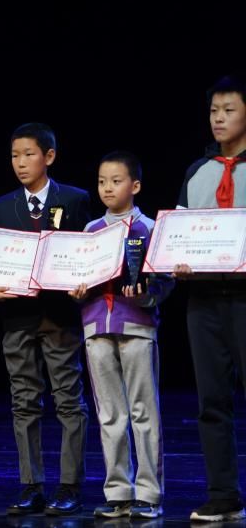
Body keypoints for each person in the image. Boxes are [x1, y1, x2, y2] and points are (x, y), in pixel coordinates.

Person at [0, 122, 90, 516]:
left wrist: (83, 285)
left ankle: (69, 484)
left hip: (59, 315)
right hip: (16, 316)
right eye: (14, 155)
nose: (20, 162)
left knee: (67, 400)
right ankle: (31, 485)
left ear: (49, 156)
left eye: (28, 154)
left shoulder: (75, 199)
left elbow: (85, 254)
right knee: (24, 401)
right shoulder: (2, 205)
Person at [69, 151, 172, 519]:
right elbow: (77, 272)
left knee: (144, 412)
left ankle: (149, 492)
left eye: (116, 180)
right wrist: (76, 290)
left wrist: (146, 295)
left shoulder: (148, 228)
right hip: (97, 327)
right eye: (101, 181)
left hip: (137, 327)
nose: (107, 188)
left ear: (136, 185)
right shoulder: (91, 230)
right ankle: (118, 492)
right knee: (109, 414)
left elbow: (164, 280)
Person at [175, 75, 246, 523]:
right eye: (213, 111)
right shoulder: (197, 172)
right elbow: (179, 232)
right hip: (203, 300)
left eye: (229, 110)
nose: (218, 118)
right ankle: (224, 494)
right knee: (212, 401)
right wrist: (176, 258)